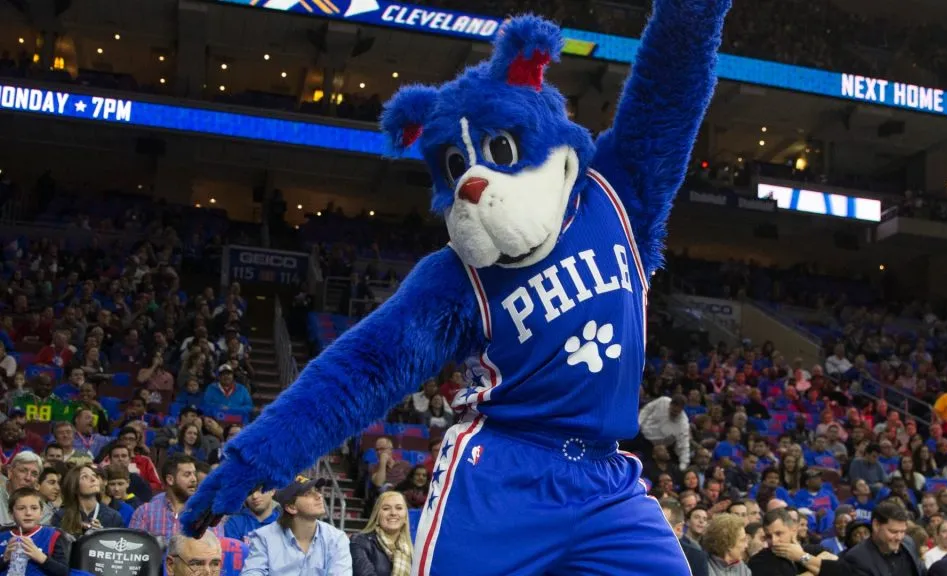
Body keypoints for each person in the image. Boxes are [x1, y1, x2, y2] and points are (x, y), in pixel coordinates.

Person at [180, 4, 736, 575]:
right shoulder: (453, 276)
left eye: (495, 152)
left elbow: (671, 84)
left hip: (607, 478)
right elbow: (359, 373)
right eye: (454, 166)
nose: (473, 183)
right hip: (501, 472)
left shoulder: (620, 194)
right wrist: (250, 463)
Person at [241, 475, 352, 575]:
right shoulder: (263, 538)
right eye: (308, 494)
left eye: (317, 490)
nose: (319, 496)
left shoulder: (336, 539)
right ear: (291, 507)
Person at [835, 501, 923, 576]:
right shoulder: (856, 558)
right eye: (893, 532)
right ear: (876, 525)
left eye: (903, 531)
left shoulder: (908, 543)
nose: (899, 537)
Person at [0, 487, 69, 575]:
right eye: (21, 508)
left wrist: (41, 557)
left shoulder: (53, 535)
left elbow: (64, 572)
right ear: (11, 514)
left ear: (41, 513)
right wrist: (5, 558)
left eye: (34, 508)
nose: (28, 513)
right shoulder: (2, 536)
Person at [51, 464, 122, 539]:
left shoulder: (113, 517)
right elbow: (56, 548)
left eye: (94, 475)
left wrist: (101, 535)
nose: (93, 479)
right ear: (74, 486)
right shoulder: (61, 516)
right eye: (85, 477)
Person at [749, 508, 827, 576]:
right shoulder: (758, 561)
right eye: (768, 536)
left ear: (793, 530)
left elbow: (835, 566)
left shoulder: (812, 550)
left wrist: (801, 556)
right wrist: (816, 572)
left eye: (778, 533)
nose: (773, 541)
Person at [351, 491, 413, 576]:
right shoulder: (360, 541)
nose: (393, 513)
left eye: (399, 508)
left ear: (406, 516)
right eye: (386, 508)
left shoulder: (413, 548)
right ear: (377, 515)